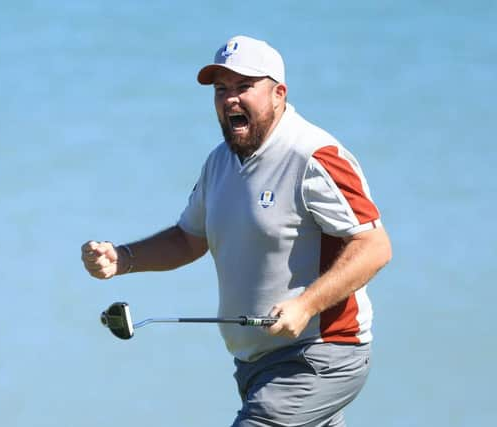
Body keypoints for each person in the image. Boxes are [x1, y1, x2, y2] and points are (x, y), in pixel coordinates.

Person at [81, 35, 392, 427]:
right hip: (253, 366)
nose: (230, 99)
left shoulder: (314, 156)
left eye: (244, 87)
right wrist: (124, 258)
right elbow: (190, 237)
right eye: (221, 89)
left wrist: (306, 305)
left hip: (320, 355)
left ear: (279, 93)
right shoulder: (219, 163)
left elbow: (374, 246)